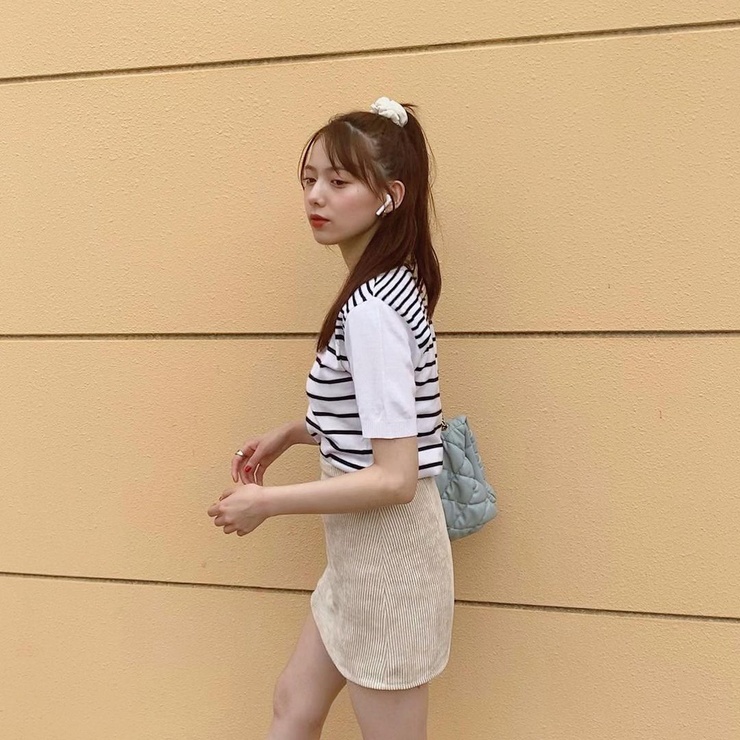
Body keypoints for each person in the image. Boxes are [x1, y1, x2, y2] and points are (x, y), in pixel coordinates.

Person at [207, 96, 454, 740]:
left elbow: (395, 476)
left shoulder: (373, 309)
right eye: (310, 179)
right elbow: (376, 416)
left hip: (388, 562)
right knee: (293, 704)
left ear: (390, 198)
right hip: (360, 555)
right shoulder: (385, 285)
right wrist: (296, 432)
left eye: (339, 182)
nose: (316, 196)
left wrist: (268, 503)